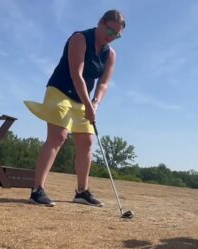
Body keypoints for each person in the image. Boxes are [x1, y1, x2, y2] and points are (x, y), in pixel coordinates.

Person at [24, 10, 126, 207]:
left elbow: (103, 84)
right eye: (110, 30)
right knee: (58, 136)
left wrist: (95, 103)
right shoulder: (80, 38)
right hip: (60, 90)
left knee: (87, 142)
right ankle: (37, 190)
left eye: (116, 35)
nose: (111, 37)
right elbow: (76, 74)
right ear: (101, 23)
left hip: (84, 98)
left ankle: (82, 192)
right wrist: (88, 104)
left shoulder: (110, 54)